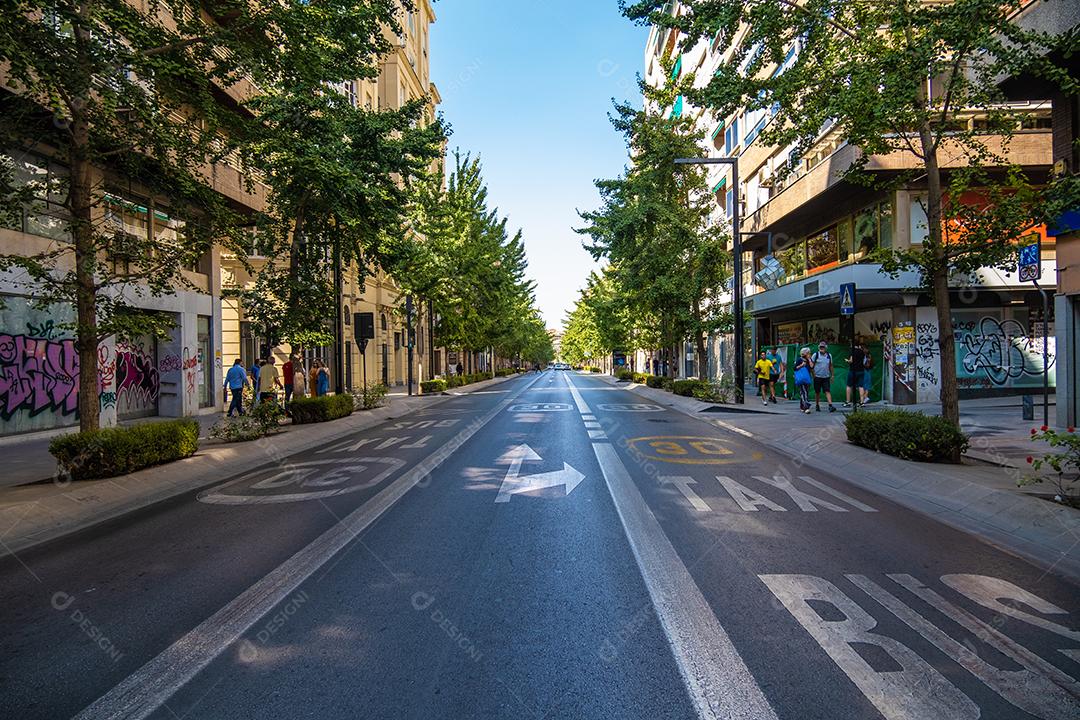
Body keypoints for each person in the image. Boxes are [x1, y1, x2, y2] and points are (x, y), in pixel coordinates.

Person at [812, 341, 836, 412]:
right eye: (820, 347)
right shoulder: (815, 355)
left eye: (823, 347)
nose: (821, 348)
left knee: (827, 391)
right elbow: (811, 365)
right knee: (817, 392)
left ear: (826, 348)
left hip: (826, 377)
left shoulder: (829, 355)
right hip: (817, 376)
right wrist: (813, 375)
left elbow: (831, 366)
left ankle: (830, 406)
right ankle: (817, 405)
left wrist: (832, 375)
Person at [845, 342, 867, 408]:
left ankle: (848, 401)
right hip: (861, 371)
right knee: (861, 386)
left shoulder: (852, 351)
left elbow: (851, 361)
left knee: (849, 386)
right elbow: (864, 361)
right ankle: (862, 402)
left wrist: (847, 361)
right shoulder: (862, 352)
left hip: (853, 371)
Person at [793, 347, 814, 414]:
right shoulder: (799, 359)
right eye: (808, 353)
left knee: (805, 392)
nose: (809, 354)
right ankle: (806, 407)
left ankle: (802, 406)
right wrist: (801, 365)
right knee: (803, 392)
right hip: (801, 378)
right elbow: (794, 368)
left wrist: (809, 359)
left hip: (807, 378)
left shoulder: (809, 360)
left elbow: (812, 367)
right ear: (805, 353)